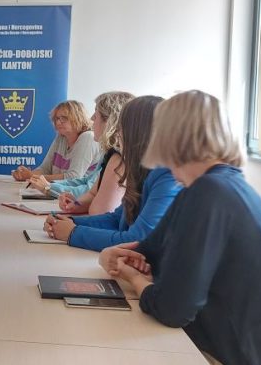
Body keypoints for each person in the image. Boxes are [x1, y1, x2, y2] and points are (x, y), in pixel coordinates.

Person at [98, 90, 261, 365]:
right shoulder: (210, 188)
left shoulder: (210, 192)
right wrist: (115, 256)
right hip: (240, 352)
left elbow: (172, 309)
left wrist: (136, 279)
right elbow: (146, 251)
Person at [43, 96, 180, 251]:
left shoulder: (167, 176)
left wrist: (73, 233)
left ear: (137, 131)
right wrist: (67, 221)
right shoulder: (140, 169)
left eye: (122, 127)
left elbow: (137, 240)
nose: (118, 133)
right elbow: (116, 219)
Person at [32, 91, 134, 214]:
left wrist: (49, 187)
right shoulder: (110, 153)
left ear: (110, 121)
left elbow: (102, 210)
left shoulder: (118, 158)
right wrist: (75, 205)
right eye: (57, 119)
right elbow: (88, 185)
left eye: (96, 115)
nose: (91, 118)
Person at [11, 100, 100, 182]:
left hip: (81, 193)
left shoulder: (88, 137)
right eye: (57, 118)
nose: (58, 122)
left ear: (78, 118)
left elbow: (74, 177)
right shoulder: (61, 137)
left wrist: (32, 176)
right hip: (60, 191)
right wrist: (24, 175)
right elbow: (45, 169)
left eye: (64, 118)